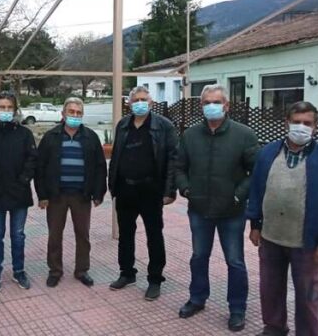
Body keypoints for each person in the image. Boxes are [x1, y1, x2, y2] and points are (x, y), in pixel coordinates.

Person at [247, 101, 318, 336]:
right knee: (270, 288)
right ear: (287, 123)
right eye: (296, 122)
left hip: (308, 242)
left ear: (315, 126)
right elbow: (257, 190)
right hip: (271, 237)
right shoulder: (268, 153)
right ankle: (274, 327)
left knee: (309, 295)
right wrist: (255, 224)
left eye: (307, 123)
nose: (301, 127)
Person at [175, 84, 259, 332]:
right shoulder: (190, 135)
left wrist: (238, 196)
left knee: (235, 261)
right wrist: (186, 189)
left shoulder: (244, 135)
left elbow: (255, 171)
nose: (211, 106)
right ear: (201, 106)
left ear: (226, 105)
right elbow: (179, 167)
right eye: (206, 102)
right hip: (199, 209)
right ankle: (197, 298)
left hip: (231, 212)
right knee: (199, 257)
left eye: (216, 102)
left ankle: (237, 308)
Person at [107, 85, 179, 301]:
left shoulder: (164, 126)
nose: (140, 103)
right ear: (129, 103)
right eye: (136, 99)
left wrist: (169, 190)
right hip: (125, 189)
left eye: (144, 99)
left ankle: (155, 279)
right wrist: (113, 185)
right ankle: (126, 273)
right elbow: (116, 156)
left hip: (151, 190)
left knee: (154, 235)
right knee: (125, 234)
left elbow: (173, 159)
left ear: (151, 103)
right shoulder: (123, 125)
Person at [36, 97, 107, 288]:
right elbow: (40, 167)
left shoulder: (91, 137)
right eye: (71, 112)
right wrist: (42, 195)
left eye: (78, 113)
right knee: (54, 235)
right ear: (63, 114)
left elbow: (100, 167)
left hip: (81, 195)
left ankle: (82, 270)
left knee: (83, 234)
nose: (74, 115)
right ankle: (55, 271)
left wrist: (98, 193)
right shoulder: (51, 137)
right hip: (56, 195)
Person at [0, 91, 37, 294]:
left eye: (9, 107)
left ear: (15, 110)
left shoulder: (24, 134)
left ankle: (19, 271)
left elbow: (32, 159)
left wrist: (23, 180)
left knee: (18, 235)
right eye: (2, 107)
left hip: (19, 192)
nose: (6, 111)